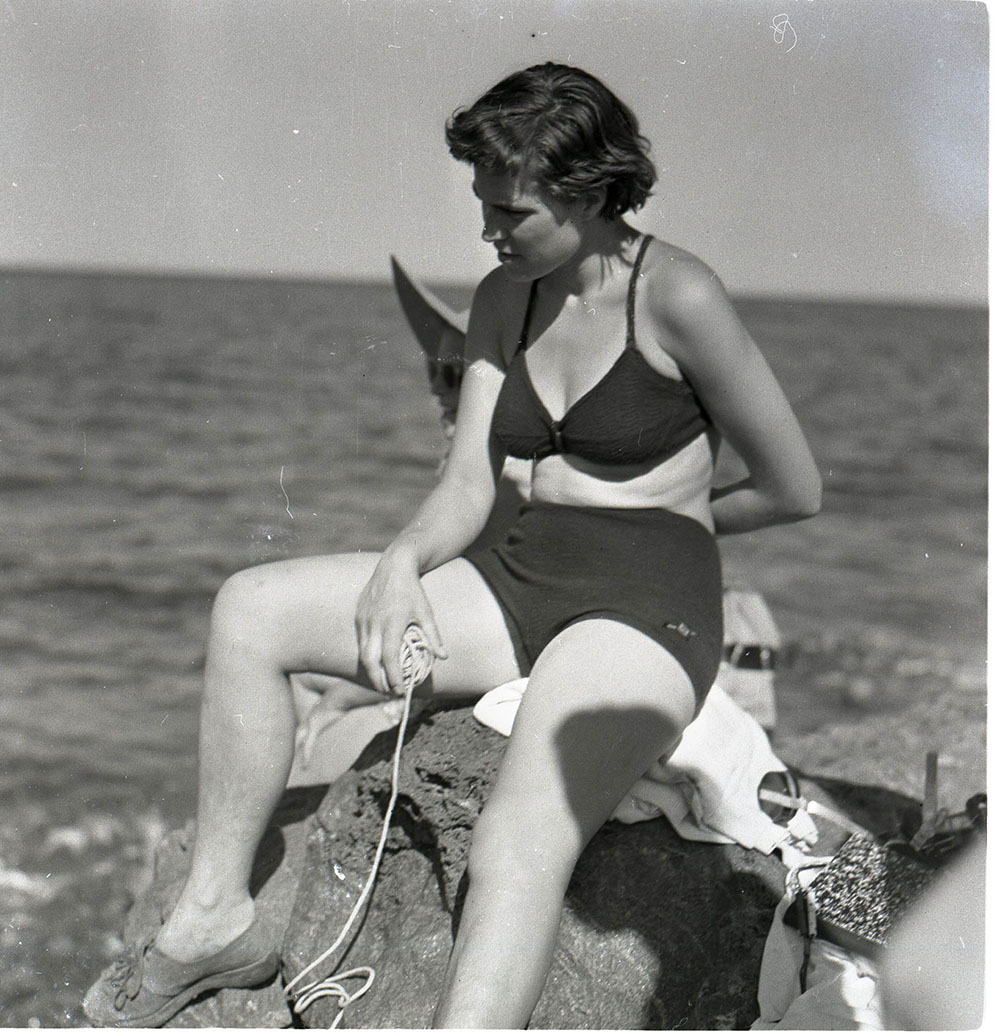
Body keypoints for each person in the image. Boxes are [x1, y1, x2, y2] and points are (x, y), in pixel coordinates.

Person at [84, 62, 821, 1029]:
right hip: (517, 577)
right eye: (483, 206)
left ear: (587, 190)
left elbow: (794, 487)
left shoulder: (680, 295)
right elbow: (470, 483)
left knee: (516, 839)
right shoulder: (504, 298)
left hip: (646, 610)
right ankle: (215, 917)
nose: (488, 230)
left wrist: (677, 525)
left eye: (510, 211)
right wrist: (401, 563)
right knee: (251, 611)